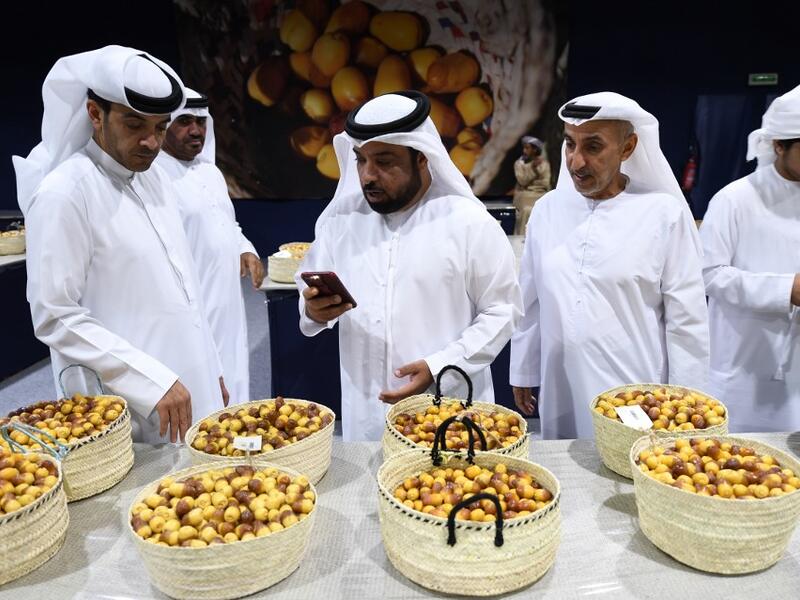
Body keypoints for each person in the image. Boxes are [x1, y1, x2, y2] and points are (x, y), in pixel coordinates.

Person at [13, 46, 228, 443]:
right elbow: (54, 314)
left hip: (191, 385)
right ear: (95, 114)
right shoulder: (65, 193)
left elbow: (186, 286)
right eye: (135, 125)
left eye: (161, 127)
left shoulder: (155, 178)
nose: (151, 142)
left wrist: (210, 368)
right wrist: (150, 381)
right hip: (136, 403)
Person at [296, 91, 522, 441]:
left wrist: (440, 366)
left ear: (422, 158)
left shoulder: (468, 224)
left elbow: (502, 311)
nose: (368, 176)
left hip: (446, 411)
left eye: (384, 162)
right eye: (361, 160)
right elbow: (308, 295)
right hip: (364, 412)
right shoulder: (342, 222)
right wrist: (314, 310)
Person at [509, 91, 710, 439]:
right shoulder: (547, 210)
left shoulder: (663, 215)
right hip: (560, 385)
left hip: (635, 394)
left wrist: (686, 403)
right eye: (570, 144)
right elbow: (530, 300)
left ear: (628, 148)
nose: (576, 162)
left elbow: (687, 320)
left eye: (593, 146)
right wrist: (524, 370)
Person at [698, 85, 800, 433]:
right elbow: (709, 274)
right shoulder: (735, 200)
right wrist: (784, 289)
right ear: (779, 145)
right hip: (745, 372)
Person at [156, 88, 264, 406]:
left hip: (228, 303)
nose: (196, 130)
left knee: (234, 376)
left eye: (201, 122)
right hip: (189, 308)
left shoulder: (211, 171)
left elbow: (226, 224)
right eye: (184, 121)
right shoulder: (155, 178)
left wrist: (246, 248)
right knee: (202, 389)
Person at [512, 136, 551, 235]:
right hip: (525, 194)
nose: (524, 151)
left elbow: (545, 183)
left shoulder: (544, 164)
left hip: (540, 194)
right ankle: (521, 236)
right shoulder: (519, 164)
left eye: (527, 148)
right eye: (524, 148)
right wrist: (533, 169)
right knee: (525, 209)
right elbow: (522, 181)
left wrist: (533, 183)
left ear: (534, 149)